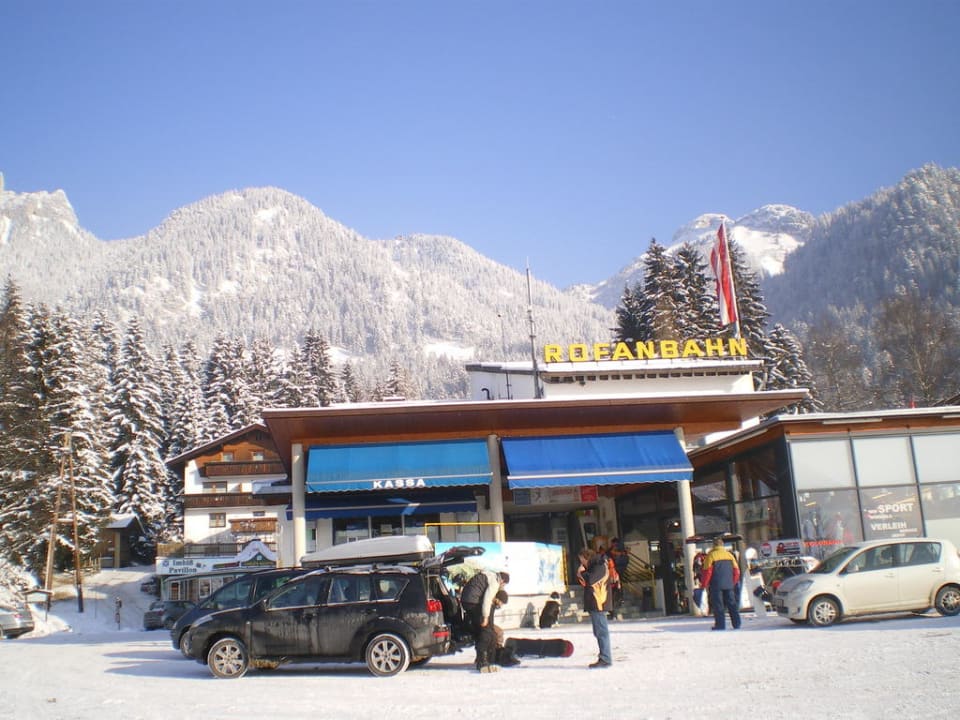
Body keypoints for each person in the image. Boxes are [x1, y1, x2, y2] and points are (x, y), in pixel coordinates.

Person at [459, 568, 510, 672]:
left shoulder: (488, 575)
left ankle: (483, 658)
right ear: (502, 581)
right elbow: (487, 599)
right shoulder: (495, 582)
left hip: (467, 600)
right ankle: (483, 661)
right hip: (473, 601)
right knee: (486, 630)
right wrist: (485, 617)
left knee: (484, 631)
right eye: (504, 585)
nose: (502, 587)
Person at [577, 548, 612, 668]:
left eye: (582, 560)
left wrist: (581, 573)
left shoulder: (600, 565)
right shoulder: (597, 565)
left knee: (601, 631)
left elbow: (591, 580)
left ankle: (605, 658)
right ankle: (604, 657)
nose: (582, 563)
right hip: (596, 602)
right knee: (599, 631)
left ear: (586, 557)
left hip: (599, 602)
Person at [700, 537, 741, 630]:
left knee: (718, 605)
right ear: (723, 545)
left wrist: (704, 584)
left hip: (716, 585)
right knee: (732, 604)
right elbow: (736, 571)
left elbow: (707, 572)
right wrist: (733, 582)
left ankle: (720, 625)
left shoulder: (710, 556)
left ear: (714, 545)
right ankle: (737, 623)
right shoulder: (730, 555)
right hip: (729, 584)